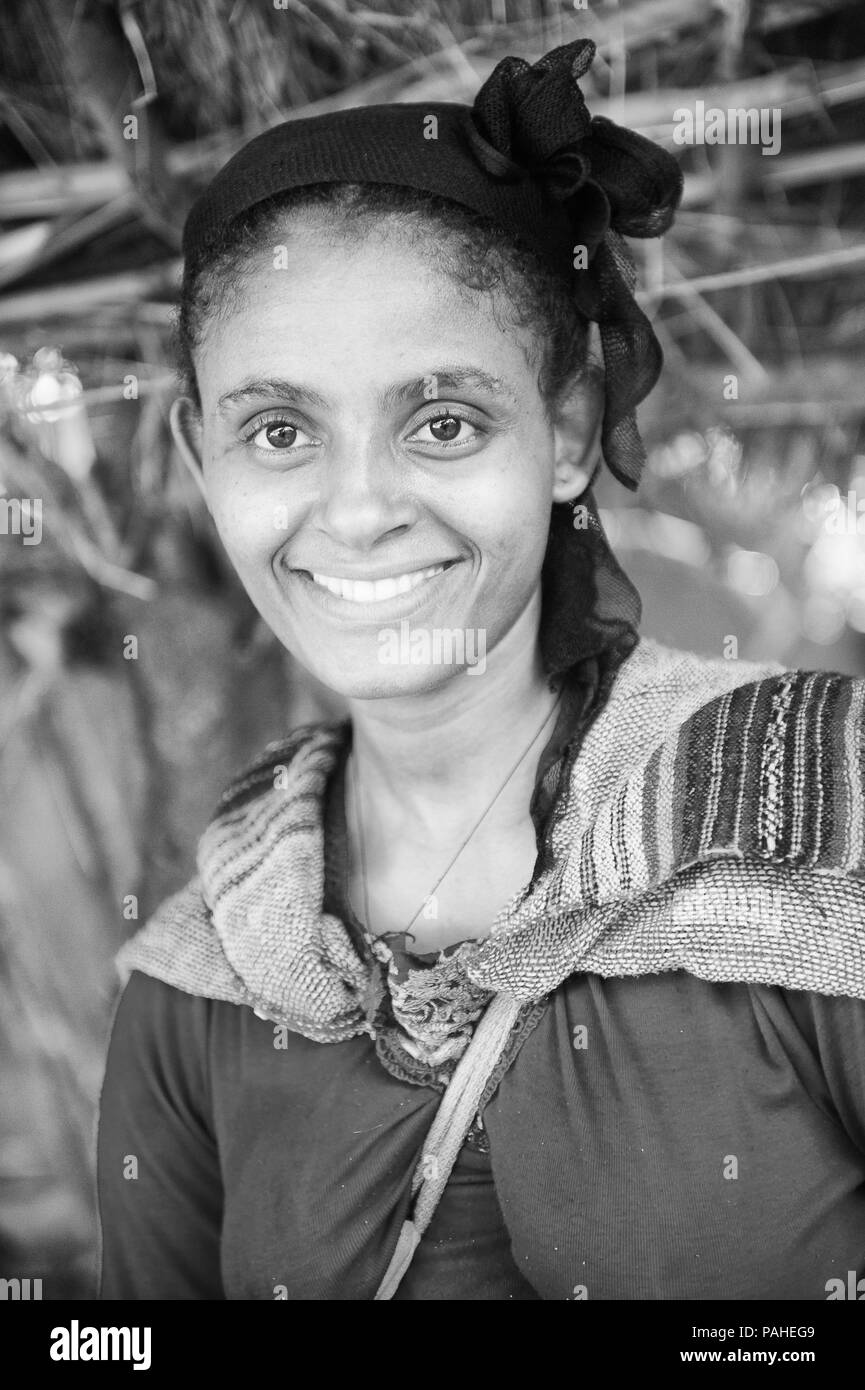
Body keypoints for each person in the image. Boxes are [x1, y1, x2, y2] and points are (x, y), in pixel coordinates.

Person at [97, 38, 865, 1301]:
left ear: (566, 433)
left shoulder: (815, 837)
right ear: (198, 457)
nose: (356, 512)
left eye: (442, 422)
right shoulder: (205, 975)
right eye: (278, 431)